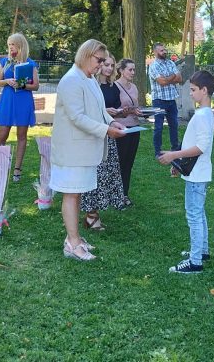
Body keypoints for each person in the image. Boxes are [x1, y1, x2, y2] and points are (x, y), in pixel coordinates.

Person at [50, 39, 126, 262]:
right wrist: (106, 131)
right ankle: (72, 244)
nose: (101, 65)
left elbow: (99, 110)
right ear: (86, 55)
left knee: (77, 193)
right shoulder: (71, 80)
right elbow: (77, 117)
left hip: (84, 149)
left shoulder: (89, 78)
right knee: (71, 194)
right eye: (99, 60)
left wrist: (111, 122)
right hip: (72, 150)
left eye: (103, 61)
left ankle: (74, 237)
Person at [158, 70, 214, 274]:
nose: (190, 93)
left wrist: (174, 155)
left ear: (204, 90)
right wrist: (179, 164)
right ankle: (202, 251)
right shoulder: (205, 113)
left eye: (193, 90)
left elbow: (200, 147)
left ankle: (195, 261)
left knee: (194, 215)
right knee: (198, 213)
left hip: (197, 174)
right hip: (197, 172)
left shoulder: (202, 116)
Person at [80, 53, 126, 229]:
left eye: (112, 65)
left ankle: (95, 211)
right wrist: (106, 112)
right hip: (94, 134)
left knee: (106, 175)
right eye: (105, 64)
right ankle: (91, 214)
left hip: (109, 134)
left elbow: (112, 109)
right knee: (94, 174)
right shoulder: (90, 84)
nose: (109, 68)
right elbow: (86, 110)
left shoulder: (113, 86)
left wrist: (117, 116)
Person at [0, 33, 39, 181]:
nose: (10, 47)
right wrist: (7, 81)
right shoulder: (5, 61)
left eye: (13, 44)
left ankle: (17, 169)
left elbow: (36, 86)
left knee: (22, 135)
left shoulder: (30, 63)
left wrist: (22, 85)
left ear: (20, 45)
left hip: (23, 100)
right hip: (7, 99)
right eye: (9, 44)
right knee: (2, 134)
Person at [115, 58, 142, 206]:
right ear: (121, 70)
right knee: (120, 161)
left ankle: (124, 194)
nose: (133, 72)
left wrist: (139, 112)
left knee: (129, 162)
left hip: (135, 127)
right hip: (121, 127)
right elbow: (112, 110)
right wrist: (124, 112)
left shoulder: (134, 87)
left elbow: (136, 106)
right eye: (130, 69)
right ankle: (117, 195)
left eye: (134, 69)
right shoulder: (115, 87)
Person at [148, 43, 182, 158]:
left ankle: (175, 149)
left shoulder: (170, 63)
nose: (164, 52)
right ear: (155, 52)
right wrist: (172, 76)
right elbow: (162, 82)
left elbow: (180, 78)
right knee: (158, 127)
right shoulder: (153, 66)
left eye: (164, 50)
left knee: (174, 125)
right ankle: (158, 151)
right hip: (159, 100)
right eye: (161, 50)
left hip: (171, 99)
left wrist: (167, 79)